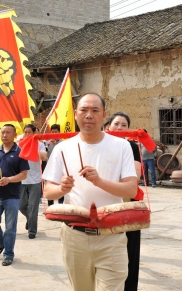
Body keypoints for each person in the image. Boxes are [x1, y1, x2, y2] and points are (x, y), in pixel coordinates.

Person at [43, 93, 138, 291]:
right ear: (76, 114)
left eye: (95, 110)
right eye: (84, 110)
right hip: (74, 236)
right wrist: (61, 188)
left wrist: (100, 181)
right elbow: (47, 192)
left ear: (104, 116)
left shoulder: (122, 146)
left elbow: (131, 188)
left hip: (111, 234)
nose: (89, 115)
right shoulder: (62, 148)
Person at [108, 112, 142, 291]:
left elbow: (136, 175)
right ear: (108, 126)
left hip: (127, 204)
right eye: (116, 124)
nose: (119, 128)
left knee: (129, 250)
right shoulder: (100, 145)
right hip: (104, 204)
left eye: (124, 125)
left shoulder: (132, 146)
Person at [0, 124, 29, 266]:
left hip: (12, 196)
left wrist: (9, 179)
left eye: (8, 132)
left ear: (14, 134)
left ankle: (8, 254)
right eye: (3, 132)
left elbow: (24, 174)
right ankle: (1, 244)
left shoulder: (20, 152)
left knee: (10, 228)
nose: (4, 135)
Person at [19, 124, 47, 239]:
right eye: (25, 132)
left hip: (35, 181)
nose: (26, 135)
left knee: (33, 207)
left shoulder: (40, 145)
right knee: (21, 206)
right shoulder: (19, 144)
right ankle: (29, 219)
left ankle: (32, 231)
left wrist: (32, 147)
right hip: (21, 180)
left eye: (29, 132)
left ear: (34, 133)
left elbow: (44, 157)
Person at [46, 124, 63, 205]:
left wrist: (56, 145)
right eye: (52, 132)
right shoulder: (48, 142)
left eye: (55, 132)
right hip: (50, 168)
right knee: (50, 186)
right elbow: (44, 155)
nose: (54, 133)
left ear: (59, 132)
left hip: (59, 167)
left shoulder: (62, 143)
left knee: (60, 186)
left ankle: (60, 204)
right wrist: (47, 145)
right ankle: (50, 205)